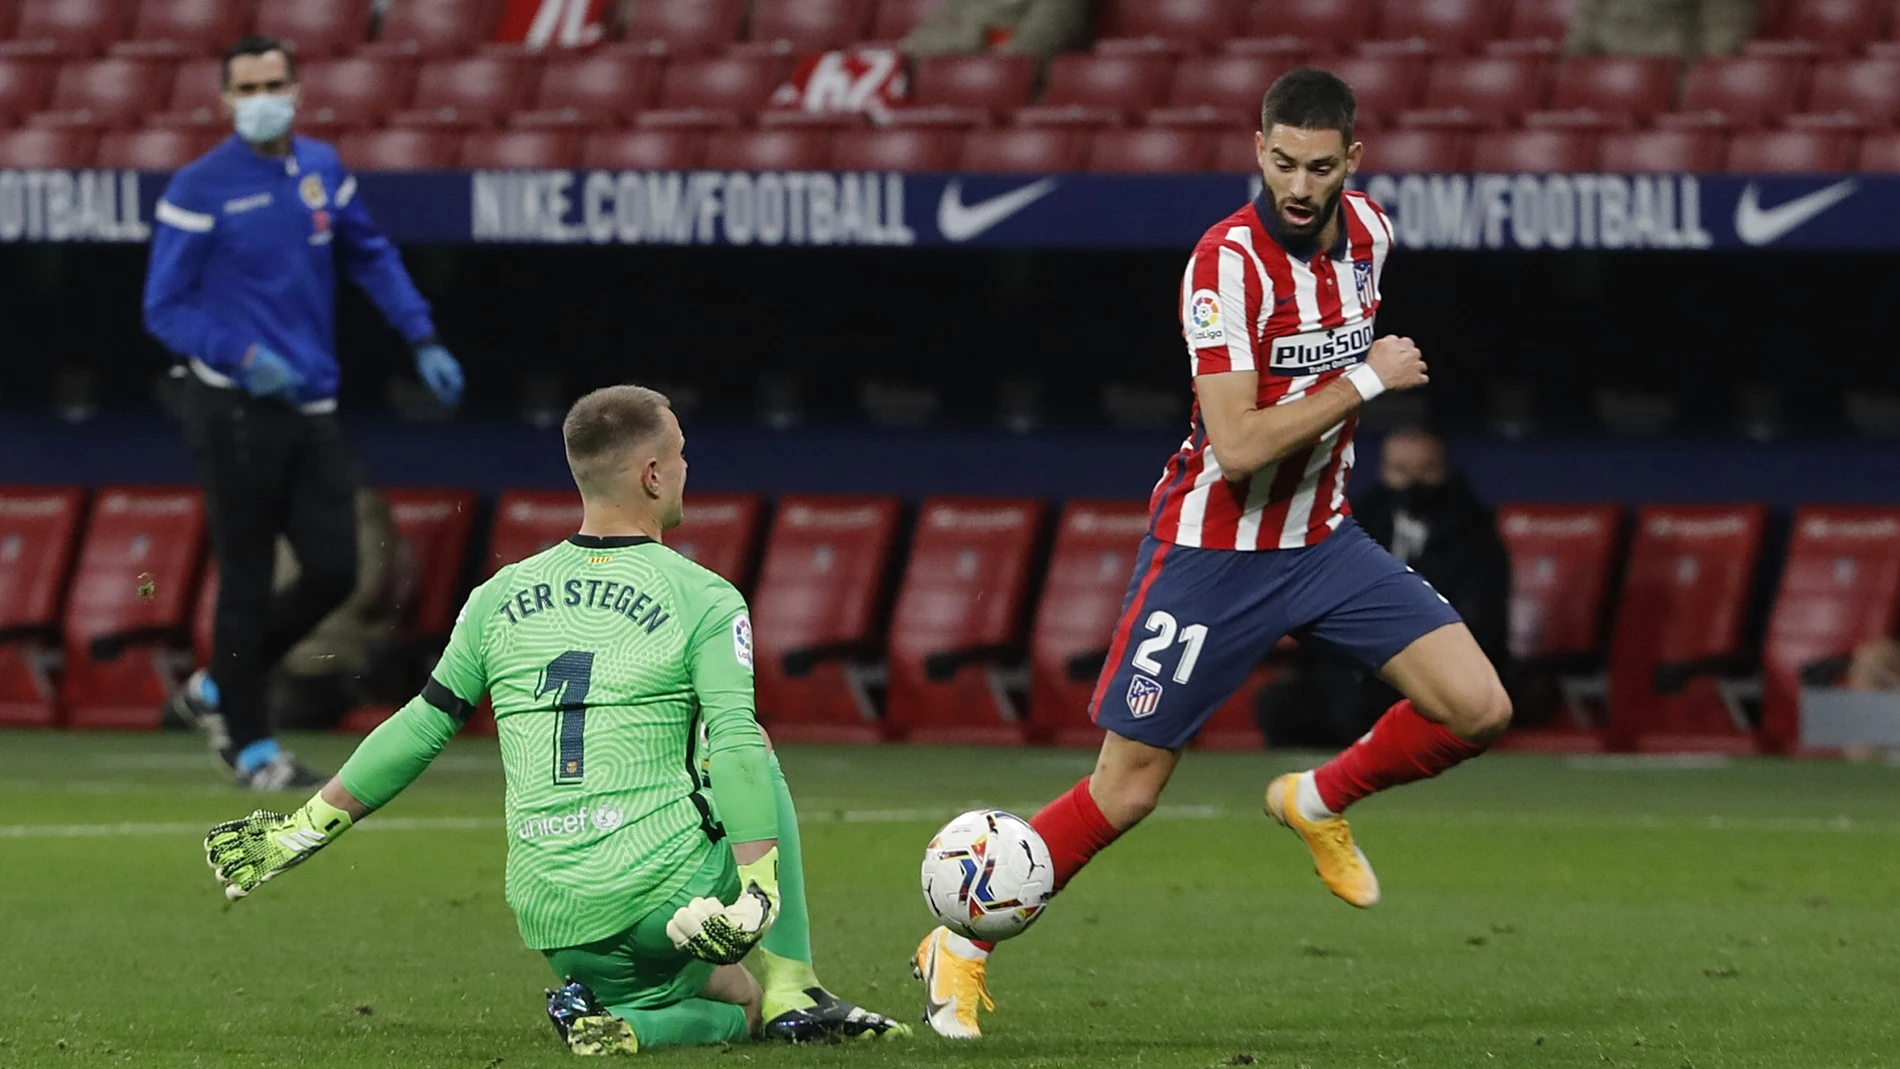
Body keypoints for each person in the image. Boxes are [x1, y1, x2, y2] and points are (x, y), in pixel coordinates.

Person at [911, 69, 1512, 1039]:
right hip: (1210, 552)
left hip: (1321, 540)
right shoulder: (1220, 266)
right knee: (1129, 785)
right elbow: (1235, 445)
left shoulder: (1372, 236)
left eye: (1320, 165)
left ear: (1352, 162)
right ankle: (962, 944)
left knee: (1478, 706)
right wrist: (1368, 376)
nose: (1299, 184)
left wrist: (1353, 385)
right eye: (1282, 161)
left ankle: (1316, 796)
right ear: (1256, 148)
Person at [203, 385, 906, 1053]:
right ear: (654, 474)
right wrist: (758, 892)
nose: (690, 468)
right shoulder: (705, 597)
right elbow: (739, 750)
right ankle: (797, 986)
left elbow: (421, 725)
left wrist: (304, 825)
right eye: (683, 454)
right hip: (664, 894)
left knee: (733, 997)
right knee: (741, 741)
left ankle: (622, 1022)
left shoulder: (495, 596)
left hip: (554, 917)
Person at [144, 35, 465, 790]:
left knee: (334, 569)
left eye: (274, 83)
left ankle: (221, 683)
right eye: (247, 87)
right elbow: (164, 306)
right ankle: (251, 746)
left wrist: (421, 334)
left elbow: (370, 253)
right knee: (249, 573)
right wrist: (240, 357)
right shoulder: (199, 187)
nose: (262, 98)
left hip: (310, 401)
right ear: (225, 100)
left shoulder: (320, 169)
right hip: (231, 406)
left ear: (297, 87)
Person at [1256, 426, 1512, 748]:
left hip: (1435, 666)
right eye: (1401, 471)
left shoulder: (1475, 535)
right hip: (1356, 664)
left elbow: (1485, 621)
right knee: (1282, 704)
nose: (1414, 482)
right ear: (1382, 472)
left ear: (1445, 471)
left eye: (1426, 470)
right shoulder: (1356, 526)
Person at [1565, 0, 1757, 58]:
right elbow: (1586, 25)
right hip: (1607, 77)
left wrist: (1694, 84)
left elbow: (1723, 29)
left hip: (1670, 69)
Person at [902, 0, 1089, 56]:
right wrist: (978, 38)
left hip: (1027, 104)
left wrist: (959, 43)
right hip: (954, 96)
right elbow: (918, 40)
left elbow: (1030, 48)